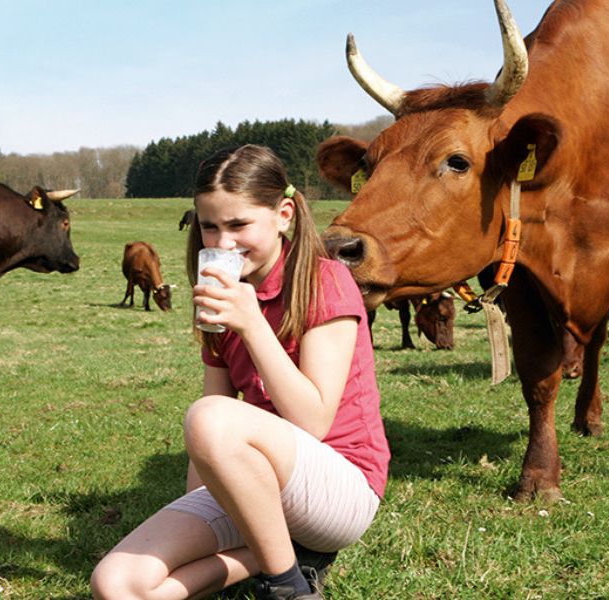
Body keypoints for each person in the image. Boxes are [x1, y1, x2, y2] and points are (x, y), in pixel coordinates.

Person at [91, 144, 390, 600]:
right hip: (257, 489)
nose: (222, 243)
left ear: (284, 214)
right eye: (209, 226)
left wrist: (252, 324)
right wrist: (196, 510)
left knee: (210, 416)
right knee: (116, 585)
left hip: (340, 488)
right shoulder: (221, 299)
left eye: (238, 224)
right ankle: (284, 555)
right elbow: (207, 446)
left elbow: (311, 423)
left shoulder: (325, 280)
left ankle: (288, 587)